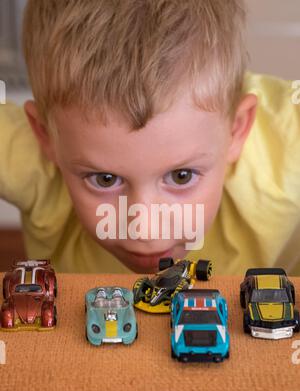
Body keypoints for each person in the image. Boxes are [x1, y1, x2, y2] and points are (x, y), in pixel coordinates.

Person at [1, 0, 300, 275]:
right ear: (44, 134)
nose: (145, 229)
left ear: (236, 129)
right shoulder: (29, 155)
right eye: (104, 179)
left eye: (181, 176)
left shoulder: (285, 148)